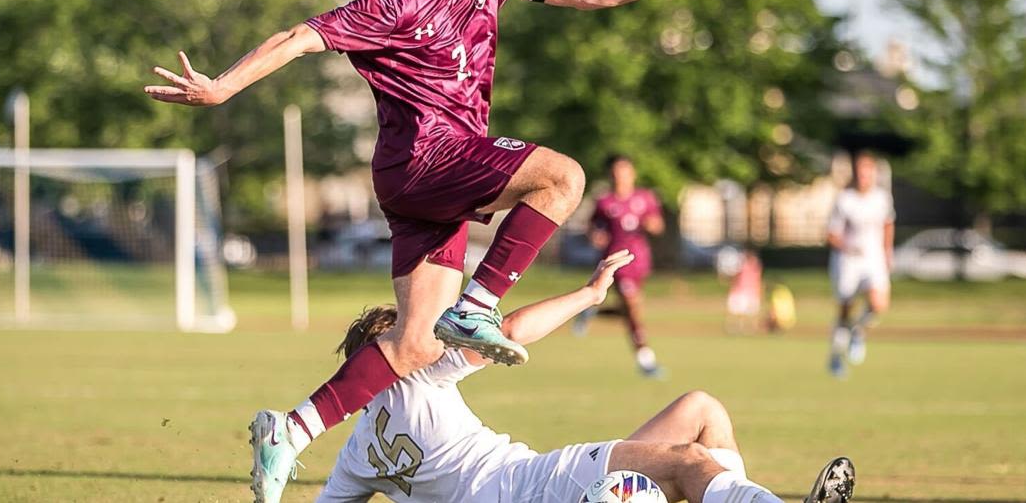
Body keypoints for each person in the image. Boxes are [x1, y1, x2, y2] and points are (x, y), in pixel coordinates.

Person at [146, 0, 726, 497]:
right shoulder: (389, 4)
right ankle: (476, 309)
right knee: (564, 177)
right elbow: (297, 39)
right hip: (427, 162)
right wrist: (223, 86)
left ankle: (290, 428)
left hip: (429, 186)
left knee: (418, 343)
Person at [313, 251, 856, 503]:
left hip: (543, 487)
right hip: (539, 486)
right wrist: (591, 294)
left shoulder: (358, 455)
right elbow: (514, 328)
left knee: (699, 410)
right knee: (689, 462)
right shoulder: (419, 372)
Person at [574, 154, 667, 377]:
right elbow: (592, 227)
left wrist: (652, 225)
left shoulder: (645, 198)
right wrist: (595, 236)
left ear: (632, 173)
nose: (620, 176)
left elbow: (658, 225)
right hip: (617, 261)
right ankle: (645, 359)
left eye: (624, 171)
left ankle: (591, 310)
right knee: (632, 307)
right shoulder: (605, 202)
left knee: (632, 309)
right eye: (616, 172)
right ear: (611, 175)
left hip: (640, 260)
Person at [826, 151, 895, 378]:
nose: (864, 178)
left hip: (872, 259)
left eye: (868, 173)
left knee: (878, 304)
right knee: (845, 312)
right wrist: (847, 246)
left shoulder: (882, 198)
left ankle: (859, 331)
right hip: (848, 261)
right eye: (861, 173)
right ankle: (836, 356)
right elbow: (832, 234)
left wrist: (887, 252)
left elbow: (887, 224)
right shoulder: (845, 199)